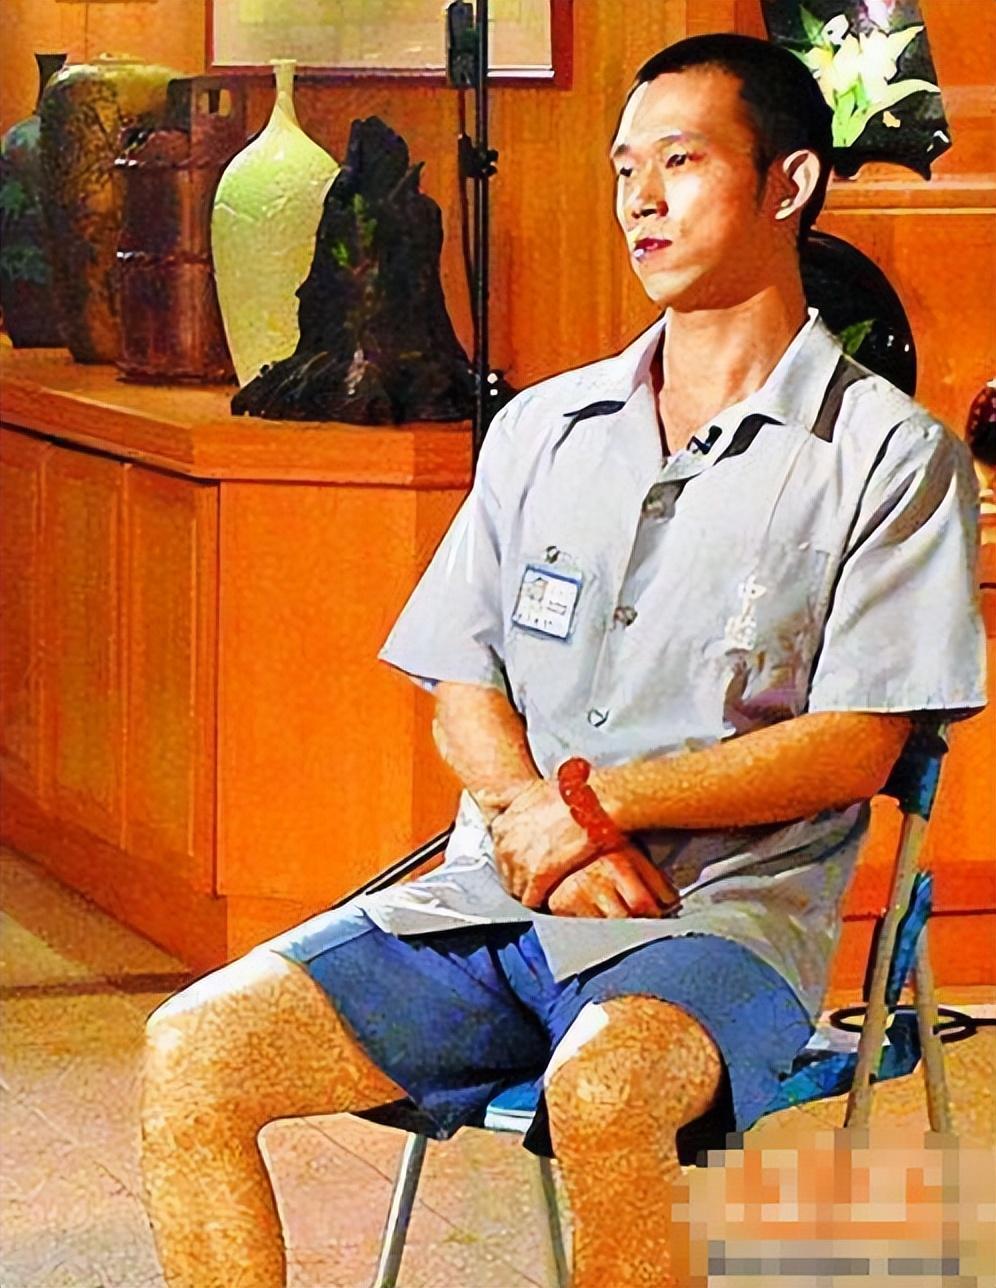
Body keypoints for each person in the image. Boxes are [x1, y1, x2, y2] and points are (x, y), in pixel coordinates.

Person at [140, 33, 986, 1288]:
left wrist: (593, 809)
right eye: (624, 169)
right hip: (494, 900)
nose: (640, 200)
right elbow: (461, 680)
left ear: (790, 182)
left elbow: (856, 745)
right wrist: (543, 827)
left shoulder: (891, 456)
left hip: (717, 926)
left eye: (680, 163)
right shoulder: (541, 427)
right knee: (191, 1053)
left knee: (605, 1090)